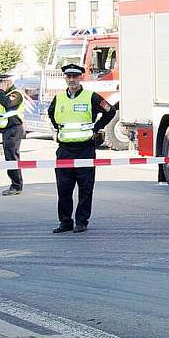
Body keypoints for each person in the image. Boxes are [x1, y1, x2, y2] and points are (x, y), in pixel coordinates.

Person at [47, 64, 115, 233]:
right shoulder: (59, 98)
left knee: (85, 188)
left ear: (80, 78)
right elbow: (51, 113)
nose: (72, 80)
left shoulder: (91, 97)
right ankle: (65, 222)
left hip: (85, 149)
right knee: (64, 189)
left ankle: (81, 221)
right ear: (65, 78)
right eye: (69, 77)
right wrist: (59, 128)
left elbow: (110, 111)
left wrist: (96, 127)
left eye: (75, 77)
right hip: (64, 150)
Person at [0, 74, 25, 195]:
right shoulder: (4, 94)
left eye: (1, 82)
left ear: (8, 81)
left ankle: (16, 185)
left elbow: (7, 104)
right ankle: (15, 184)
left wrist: (1, 91)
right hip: (7, 129)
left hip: (14, 129)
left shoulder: (15, 94)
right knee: (9, 157)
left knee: (12, 157)